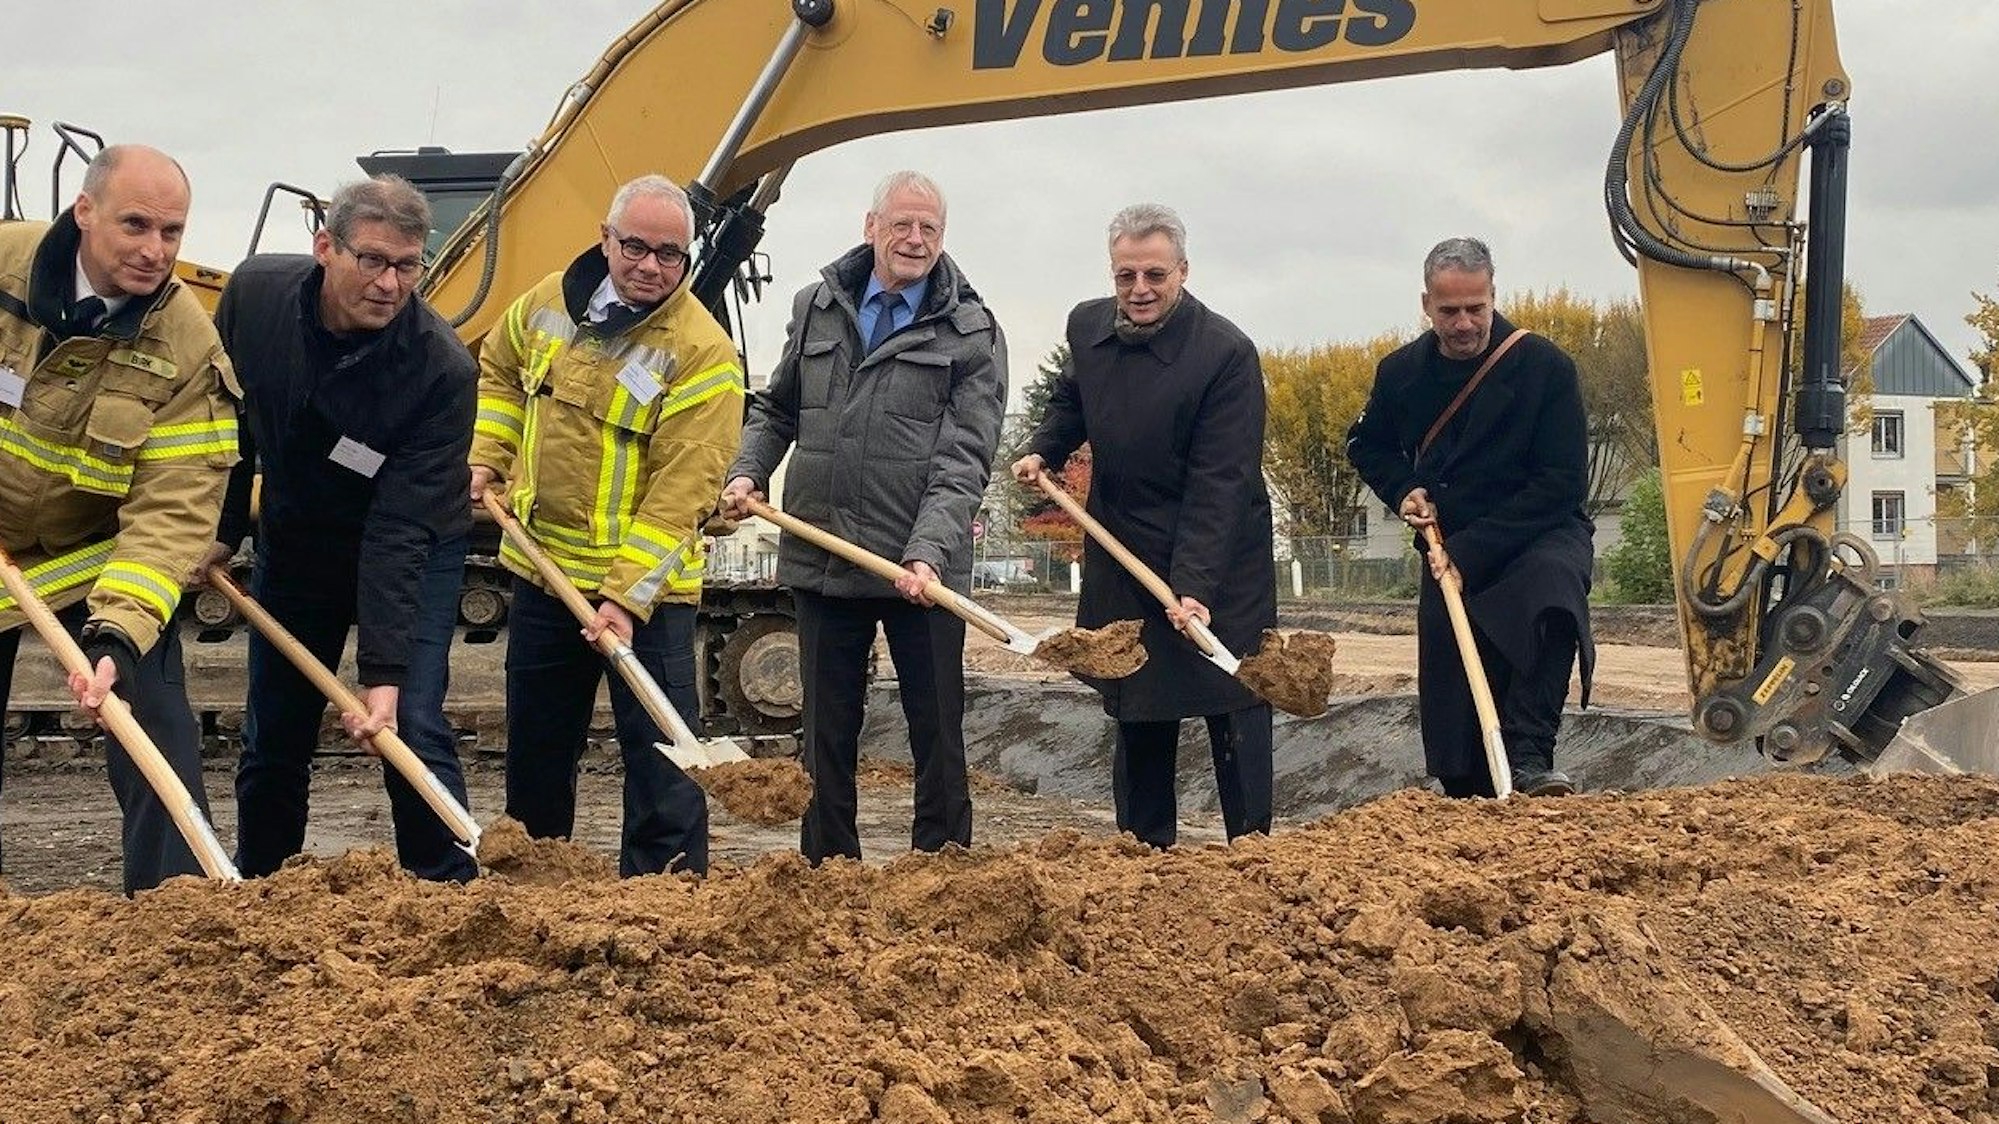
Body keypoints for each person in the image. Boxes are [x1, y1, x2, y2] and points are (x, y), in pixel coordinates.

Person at [719, 170, 1006, 865]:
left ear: (942, 238)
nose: (914, 239)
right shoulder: (816, 305)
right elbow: (778, 407)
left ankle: (942, 868)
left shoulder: (972, 331)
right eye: (901, 224)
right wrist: (747, 468)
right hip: (824, 557)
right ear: (869, 225)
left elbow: (964, 458)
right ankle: (827, 869)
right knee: (825, 731)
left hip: (920, 569)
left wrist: (929, 551)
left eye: (928, 229)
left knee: (936, 728)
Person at [205, 174, 478, 882]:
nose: (391, 284)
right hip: (297, 537)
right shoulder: (255, 297)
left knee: (408, 724)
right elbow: (226, 423)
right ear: (325, 246)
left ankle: (450, 890)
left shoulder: (439, 370)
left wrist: (382, 675)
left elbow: (399, 530)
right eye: (374, 261)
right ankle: (265, 887)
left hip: (411, 542)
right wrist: (225, 529)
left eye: (408, 266)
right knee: (274, 731)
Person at [471, 174, 744, 877]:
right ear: (605, 237)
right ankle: (532, 888)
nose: (650, 266)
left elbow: (682, 492)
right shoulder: (545, 303)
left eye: (670, 254)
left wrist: (624, 598)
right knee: (535, 754)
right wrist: (486, 458)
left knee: (664, 769)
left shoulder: (703, 354)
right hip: (544, 575)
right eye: (636, 247)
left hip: (648, 601)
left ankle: (665, 905)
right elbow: (498, 373)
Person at [0, 144, 240, 892]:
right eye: (136, 225)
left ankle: (175, 926)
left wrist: (119, 633)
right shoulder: (3, 269)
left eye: (171, 232)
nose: (154, 251)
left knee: (155, 729)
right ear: (84, 211)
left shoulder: (186, 342)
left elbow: (174, 507)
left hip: (94, 559)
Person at [1011, 203, 1275, 849]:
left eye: (1154, 274)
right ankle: (1143, 849)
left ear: (1182, 272)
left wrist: (1192, 586)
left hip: (1220, 551)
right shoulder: (1087, 327)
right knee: (1138, 696)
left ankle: (1253, 849)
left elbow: (1221, 481)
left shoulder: (1225, 354)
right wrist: (1045, 447)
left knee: (1233, 694)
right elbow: (1069, 400)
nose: (1139, 290)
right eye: (1125, 276)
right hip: (1121, 537)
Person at [1345, 237, 1594, 798]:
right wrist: (1403, 488)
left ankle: (1530, 758)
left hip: (1539, 530)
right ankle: (1464, 784)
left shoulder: (1546, 368)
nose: (1463, 324)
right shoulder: (1400, 373)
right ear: (1426, 304)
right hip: (1447, 538)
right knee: (1454, 674)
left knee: (1549, 600)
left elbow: (1561, 484)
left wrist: (1470, 551)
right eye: (1449, 310)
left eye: (1475, 309)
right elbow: (1366, 444)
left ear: (1493, 297)